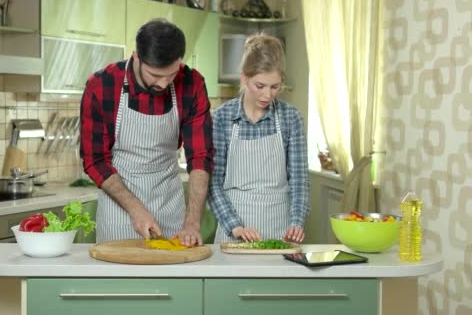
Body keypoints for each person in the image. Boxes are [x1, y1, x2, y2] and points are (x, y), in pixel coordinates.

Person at [80, 19, 214, 246]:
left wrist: (192, 222)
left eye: (170, 74)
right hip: (119, 209)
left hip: (170, 205)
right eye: (154, 75)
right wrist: (135, 208)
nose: (163, 84)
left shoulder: (192, 83)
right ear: (136, 57)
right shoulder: (102, 86)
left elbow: (201, 156)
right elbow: (95, 160)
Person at [209, 33, 309, 243]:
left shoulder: (291, 118)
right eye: (260, 86)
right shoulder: (221, 118)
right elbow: (213, 183)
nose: (267, 95)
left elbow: (299, 181)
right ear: (244, 78)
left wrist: (297, 223)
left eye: (275, 87)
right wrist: (234, 226)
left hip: (280, 230)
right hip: (234, 231)